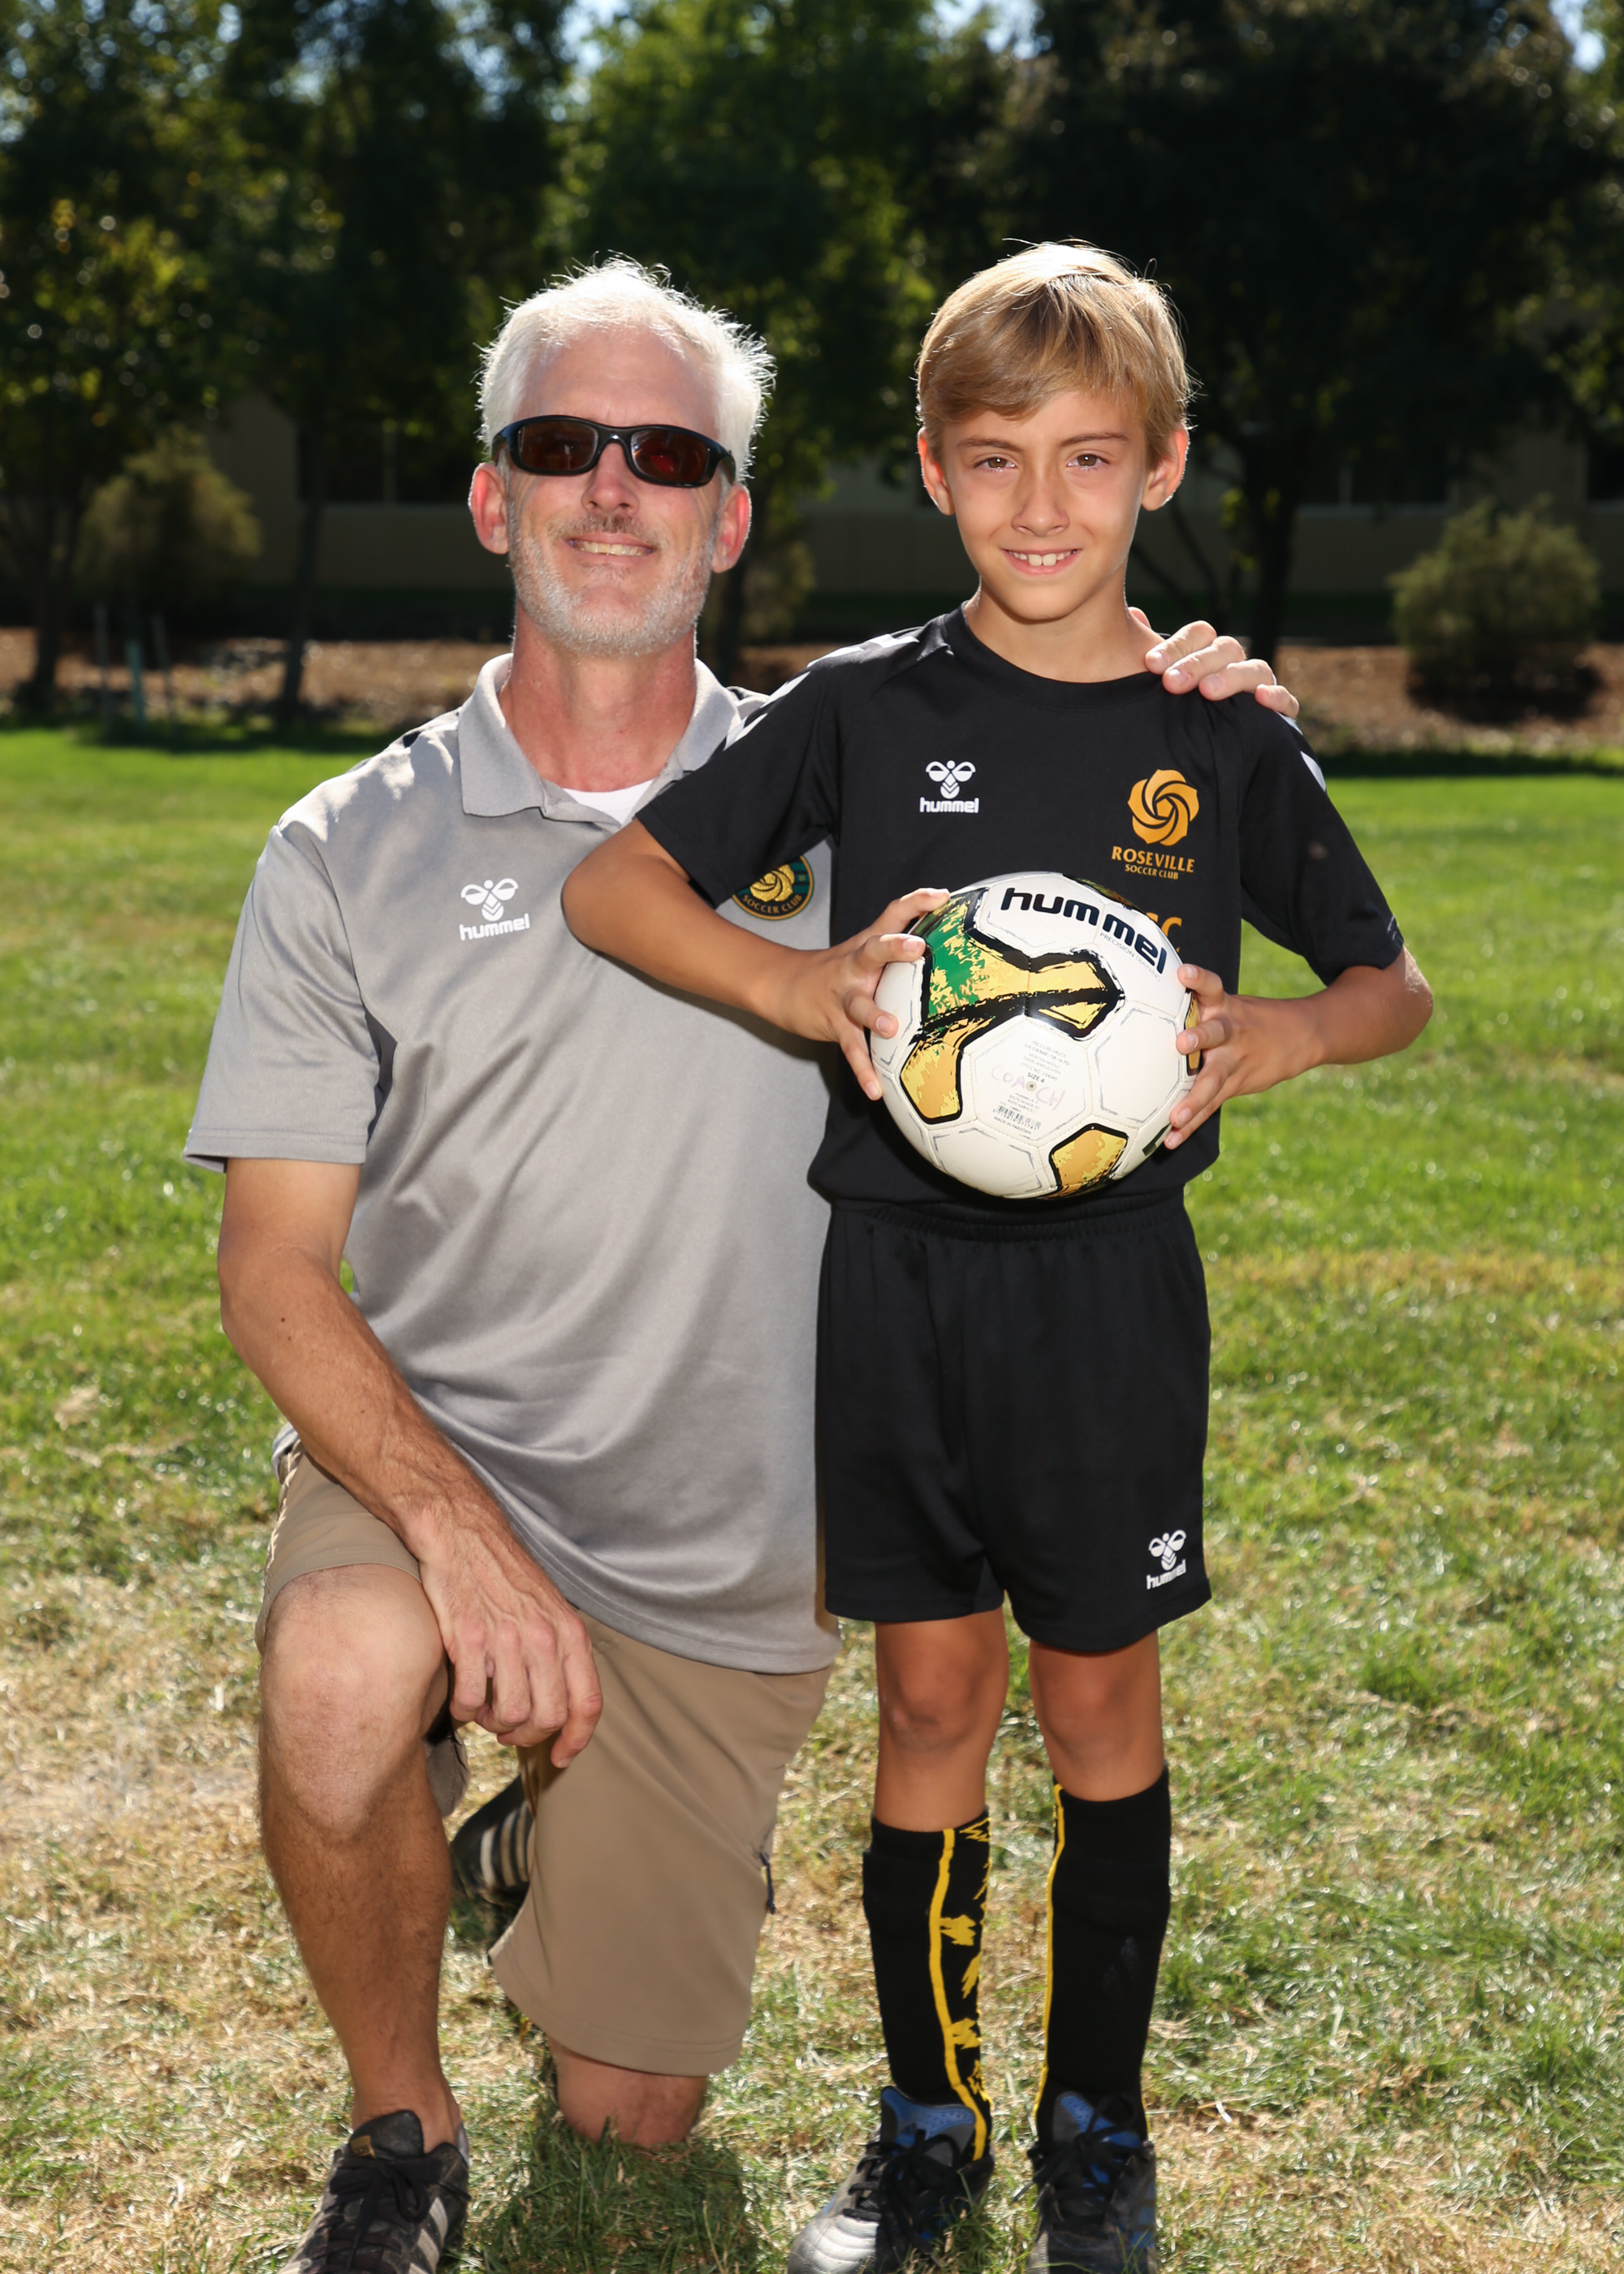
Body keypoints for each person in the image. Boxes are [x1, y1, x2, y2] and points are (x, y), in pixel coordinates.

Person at [184, 253, 1306, 2274]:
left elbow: (1093, 772)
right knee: (344, 1677)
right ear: (491, 496)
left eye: (670, 454)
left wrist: (1185, 682)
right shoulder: (344, 845)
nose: (613, 489)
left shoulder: (863, 763)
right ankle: (399, 2126)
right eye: (561, 444)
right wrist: (456, 1535)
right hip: (444, 1470)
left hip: (724, 1564)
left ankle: (536, 1828)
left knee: (631, 2111)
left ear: (732, 516)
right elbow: (272, 1270)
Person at [564, 242, 1432, 2274]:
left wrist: (1290, 1032)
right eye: (993, 459)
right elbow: (620, 887)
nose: (1041, 504)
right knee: (930, 1700)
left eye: (1088, 457)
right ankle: (928, 2120)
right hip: (899, 1283)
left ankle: (1094, 2131)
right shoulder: (867, 707)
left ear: (1162, 467)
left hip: (1109, 1296)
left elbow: (1389, 983)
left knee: (1101, 1705)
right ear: (935, 468)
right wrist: (793, 984)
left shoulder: (1215, 733)